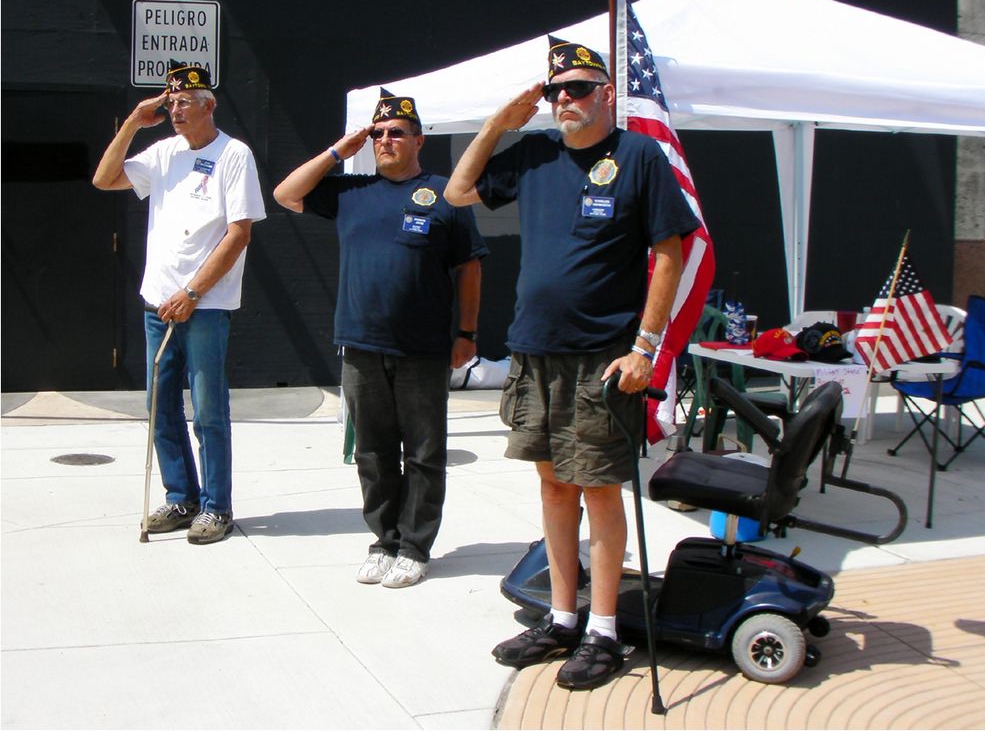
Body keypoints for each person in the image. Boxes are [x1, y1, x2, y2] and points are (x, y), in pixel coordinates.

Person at [444, 39, 700, 689]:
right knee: (554, 486)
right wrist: (498, 124)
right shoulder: (533, 154)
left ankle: (604, 629)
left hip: (604, 358)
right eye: (557, 90)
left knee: (599, 487)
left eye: (579, 88)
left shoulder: (638, 156)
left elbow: (669, 253)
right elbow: (458, 188)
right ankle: (562, 617)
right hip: (535, 350)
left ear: (607, 94)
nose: (564, 100)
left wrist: (647, 347)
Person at [274, 89, 487, 589]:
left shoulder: (446, 195)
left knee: (424, 452)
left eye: (397, 133)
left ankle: (415, 546)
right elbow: (286, 193)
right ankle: (384, 539)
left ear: (418, 141)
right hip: (361, 344)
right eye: (379, 133)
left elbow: (470, 267)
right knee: (372, 452)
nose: (386, 140)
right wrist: (338, 152)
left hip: (424, 348)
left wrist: (468, 333)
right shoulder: (352, 191)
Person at [92, 61, 266, 545]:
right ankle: (181, 496)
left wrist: (193, 292)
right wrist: (131, 122)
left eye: (184, 101)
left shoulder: (235, 154)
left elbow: (239, 232)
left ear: (209, 105)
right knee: (159, 407)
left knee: (208, 410)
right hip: (156, 305)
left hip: (203, 306)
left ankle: (216, 507)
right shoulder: (164, 153)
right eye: (170, 102)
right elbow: (105, 180)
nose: (174, 109)